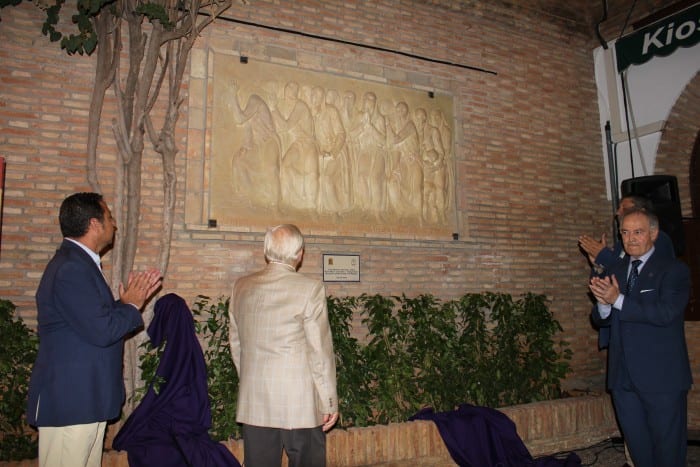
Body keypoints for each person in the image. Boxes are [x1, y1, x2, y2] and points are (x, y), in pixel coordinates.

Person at [26, 192, 162, 467]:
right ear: (94, 224)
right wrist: (132, 306)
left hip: (84, 401)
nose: (115, 224)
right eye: (109, 217)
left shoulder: (78, 263)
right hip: (72, 402)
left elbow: (89, 321)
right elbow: (102, 330)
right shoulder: (72, 268)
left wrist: (123, 304)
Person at [228, 224, 338, 467]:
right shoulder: (310, 289)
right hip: (300, 404)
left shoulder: (241, 287)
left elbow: (236, 345)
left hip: (256, 401)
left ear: (266, 250)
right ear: (299, 253)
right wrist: (328, 401)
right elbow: (319, 352)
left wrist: (251, 379)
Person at [588, 207, 691, 467]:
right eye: (625, 232)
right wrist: (603, 304)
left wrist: (617, 300)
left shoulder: (673, 270)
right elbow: (601, 319)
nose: (630, 239)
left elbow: (666, 313)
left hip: (662, 379)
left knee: (668, 452)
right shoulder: (616, 269)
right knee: (639, 451)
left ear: (653, 234)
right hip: (623, 378)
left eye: (638, 232)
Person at [579, 194, 675, 275]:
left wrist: (604, 256)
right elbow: (610, 280)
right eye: (625, 232)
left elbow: (643, 274)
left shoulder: (658, 238)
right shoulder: (620, 245)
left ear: (642, 211)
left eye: (624, 209)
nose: (617, 213)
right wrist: (598, 266)